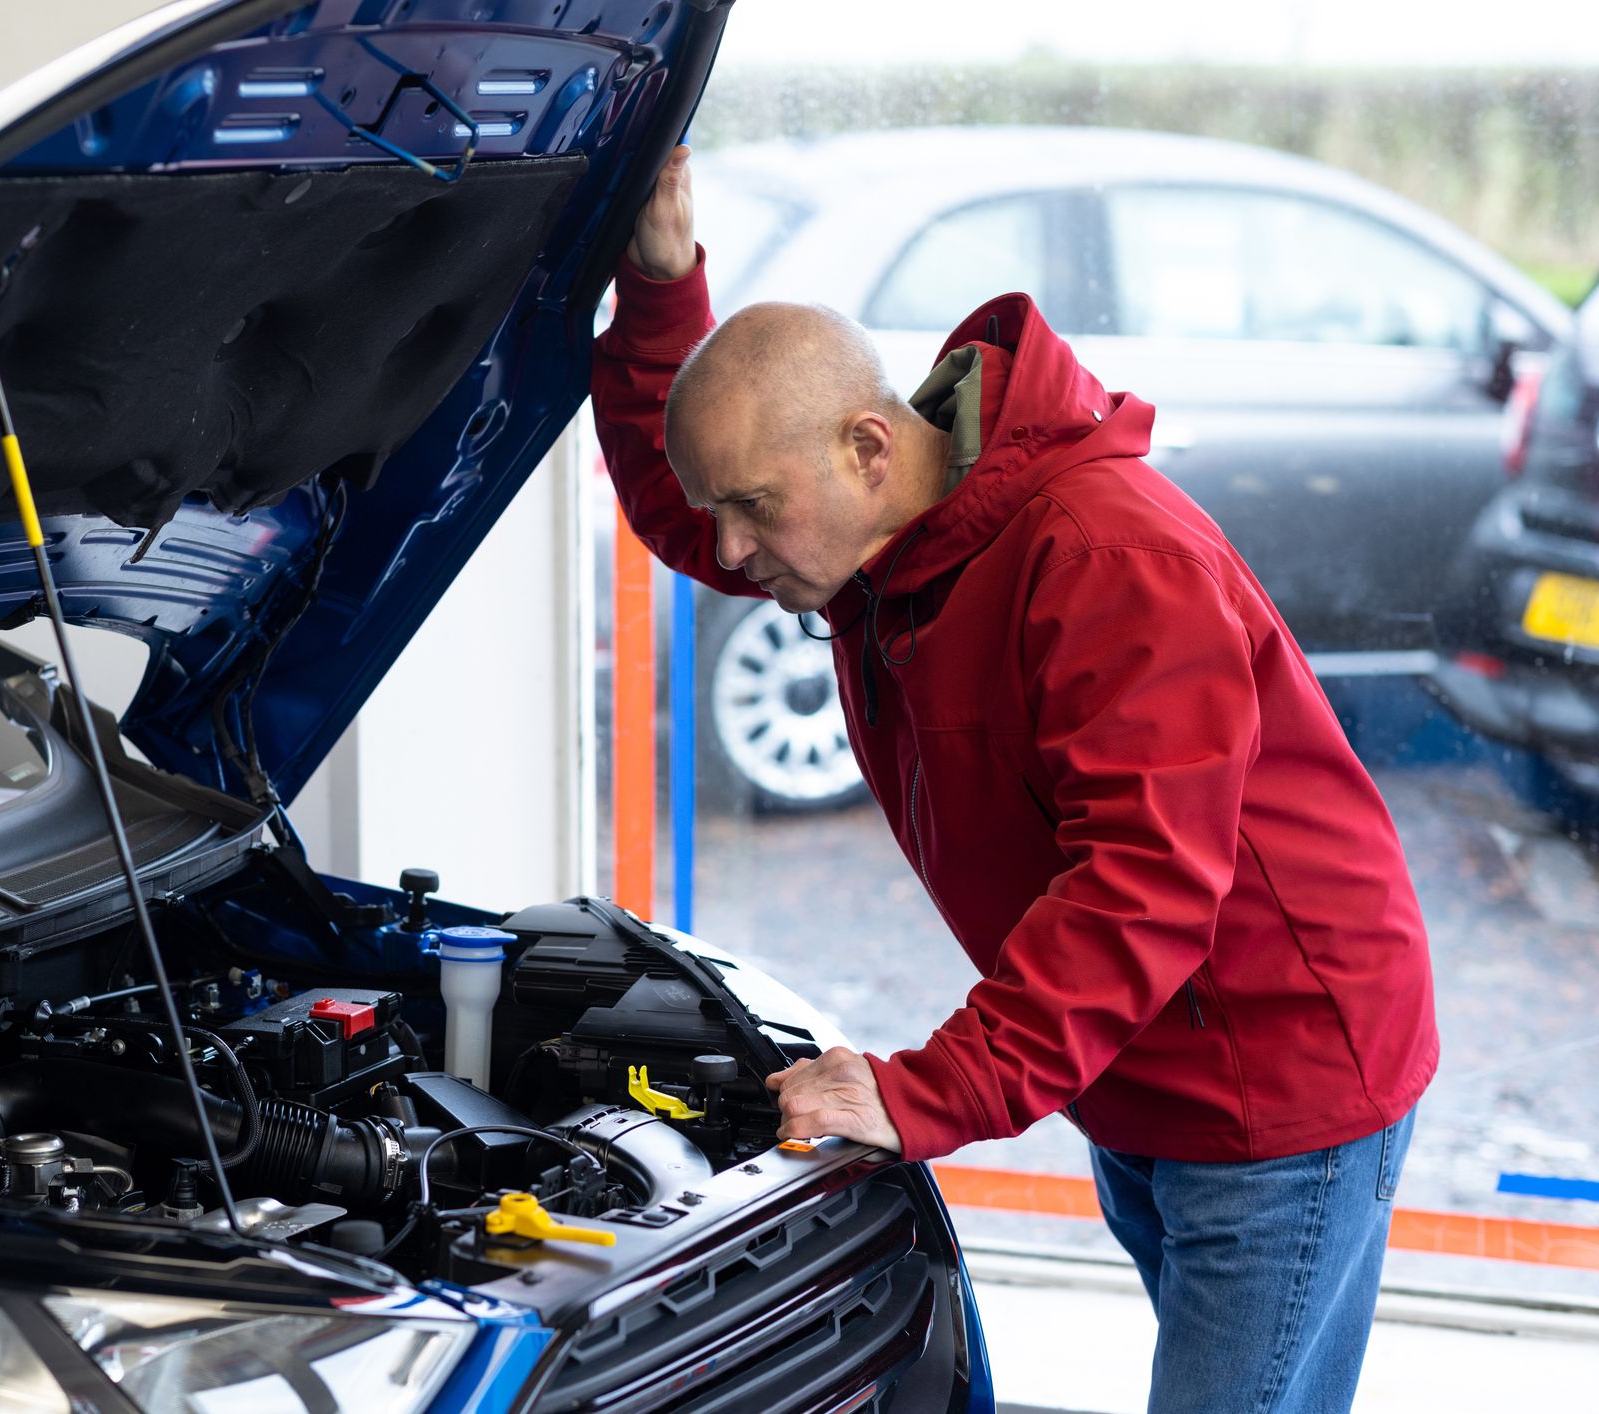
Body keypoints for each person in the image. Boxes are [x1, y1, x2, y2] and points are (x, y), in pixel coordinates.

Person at [593, 145, 1437, 1414]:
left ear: (869, 445)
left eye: (754, 508)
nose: (727, 549)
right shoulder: (883, 532)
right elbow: (684, 499)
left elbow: (1138, 886)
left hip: (1278, 1076)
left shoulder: (1104, 556)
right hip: (1136, 1060)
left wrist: (922, 1090)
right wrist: (661, 294)